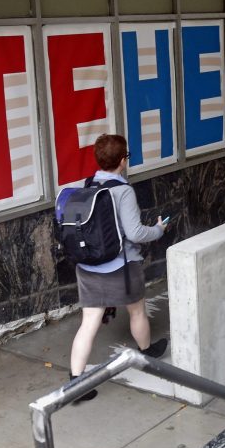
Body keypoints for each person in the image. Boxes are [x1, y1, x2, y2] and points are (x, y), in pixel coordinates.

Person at [69, 133, 168, 402]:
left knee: (89, 322)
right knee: (137, 310)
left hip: (89, 266)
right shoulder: (123, 191)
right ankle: (146, 351)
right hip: (121, 267)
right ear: (122, 161)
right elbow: (135, 233)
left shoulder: (85, 185)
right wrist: (158, 230)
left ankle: (75, 383)